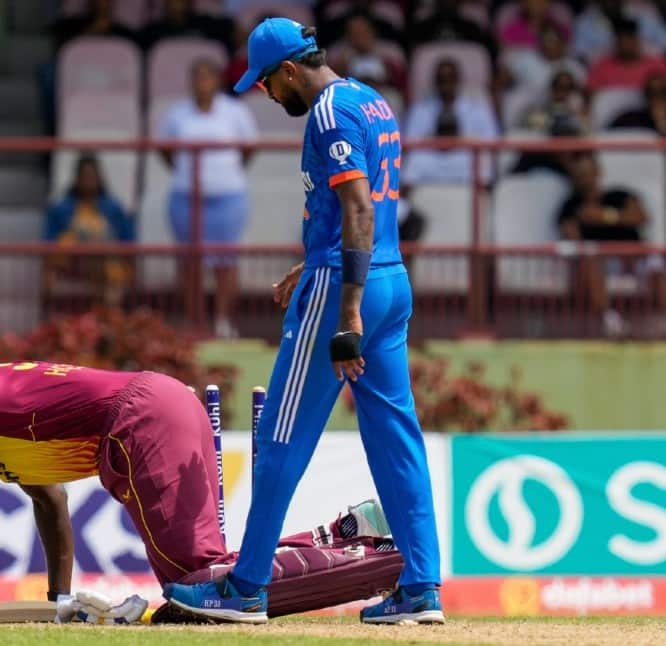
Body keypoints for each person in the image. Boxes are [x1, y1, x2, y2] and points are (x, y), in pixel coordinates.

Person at [163, 19, 443, 625]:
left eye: (266, 83)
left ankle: (245, 590)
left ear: (289, 70)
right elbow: (370, 210)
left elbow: (359, 205)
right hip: (392, 283)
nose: (266, 95)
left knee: (279, 437)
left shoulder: (326, 111)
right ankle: (421, 588)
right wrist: (312, 259)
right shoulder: (373, 100)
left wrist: (342, 310)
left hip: (348, 293)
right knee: (398, 438)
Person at [0, 361, 402, 620]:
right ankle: (345, 534)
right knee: (206, 586)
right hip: (160, 406)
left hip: (140, 419)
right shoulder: (0, 442)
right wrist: (61, 604)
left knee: (200, 592)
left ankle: (371, 558)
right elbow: (53, 507)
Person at [158, 58, 259, 339]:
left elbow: (249, 149)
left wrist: (224, 174)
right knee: (189, 263)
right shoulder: (177, 114)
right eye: (196, 77)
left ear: (217, 81)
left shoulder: (235, 112)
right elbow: (165, 151)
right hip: (186, 198)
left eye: (207, 76)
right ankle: (194, 323)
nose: (202, 82)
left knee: (226, 263)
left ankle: (223, 321)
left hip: (228, 198)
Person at [555, 153, 665, 336]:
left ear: (598, 171)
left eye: (587, 172)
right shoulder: (570, 207)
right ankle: (611, 321)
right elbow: (571, 237)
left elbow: (641, 216)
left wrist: (605, 216)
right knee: (590, 260)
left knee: (657, 267)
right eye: (579, 174)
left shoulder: (620, 195)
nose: (584, 179)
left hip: (634, 256)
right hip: (602, 262)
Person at [43, 154, 134, 307]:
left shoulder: (113, 207)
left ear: (99, 178)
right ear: (77, 178)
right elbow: (48, 241)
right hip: (72, 262)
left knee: (114, 272)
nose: (88, 180)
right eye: (85, 176)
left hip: (106, 262)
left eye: (92, 175)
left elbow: (127, 239)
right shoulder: (61, 208)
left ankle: (108, 315)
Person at [401, 59, 499, 186]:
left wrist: (461, 140)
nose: (446, 83)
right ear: (435, 82)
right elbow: (409, 142)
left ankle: (483, 202)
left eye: (451, 78)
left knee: (484, 164)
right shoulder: (420, 109)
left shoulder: (478, 108)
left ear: (458, 80)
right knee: (414, 161)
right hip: (432, 157)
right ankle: (404, 204)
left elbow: (491, 140)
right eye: (442, 79)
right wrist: (433, 139)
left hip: (464, 155)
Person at [587, 18, 666, 93]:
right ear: (616, 41)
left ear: (637, 40)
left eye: (629, 38)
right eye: (622, 39)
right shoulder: (603, 67)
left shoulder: (656, 65)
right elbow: (591, 92)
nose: (626, 44)